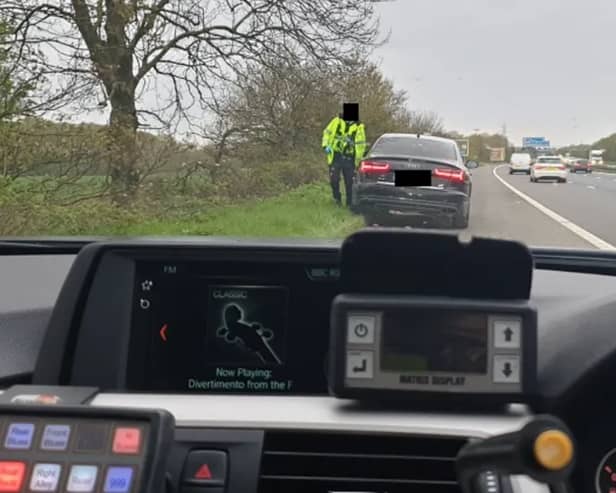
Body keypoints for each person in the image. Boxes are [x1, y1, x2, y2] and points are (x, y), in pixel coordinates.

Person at [321, 104, 366, 207]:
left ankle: (349, 203)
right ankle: (337, 199)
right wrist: (325, 145)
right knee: (334, 180)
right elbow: (326, 133)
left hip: (349, 158)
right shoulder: (336, 121)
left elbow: (361, 144)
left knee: (349, 183)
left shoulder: (359, 127)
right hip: (336, 156)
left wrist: (358, 160)